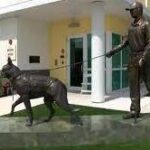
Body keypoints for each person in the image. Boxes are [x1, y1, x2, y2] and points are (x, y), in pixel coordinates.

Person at [106, 1, 150, 119]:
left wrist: (143, 58)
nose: (130, 12)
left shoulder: (146, 24)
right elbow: (125, 42)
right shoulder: (131, 27)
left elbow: (149, 43)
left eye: (132, 10)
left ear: (139, 10)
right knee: (133, 86)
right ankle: (134, 111)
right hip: (133, 59)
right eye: (130, 10)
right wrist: (112, 51)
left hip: (145, 59)